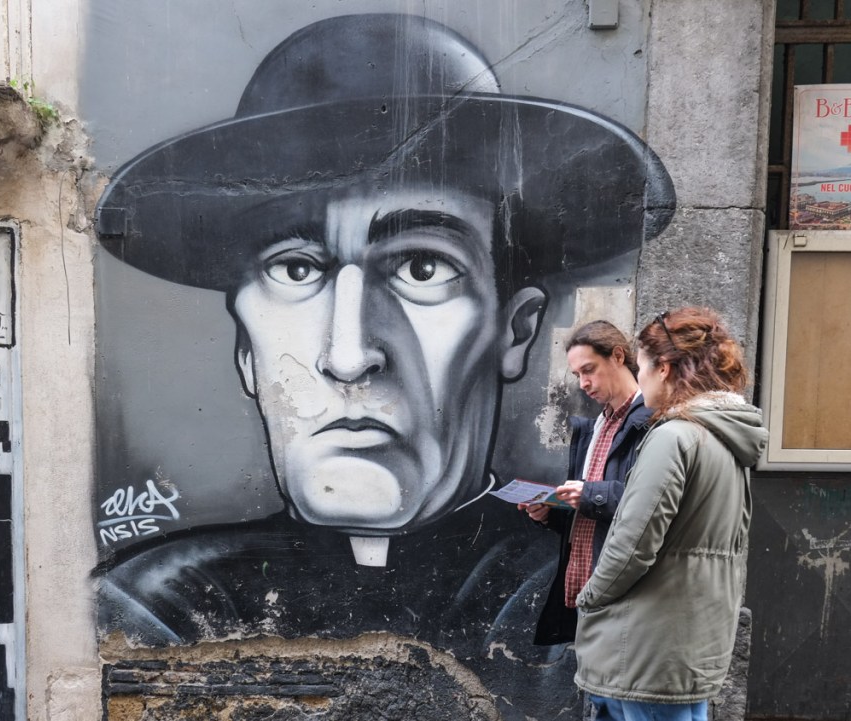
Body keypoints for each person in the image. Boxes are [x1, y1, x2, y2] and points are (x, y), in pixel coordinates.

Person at [93, 12, 675, 718]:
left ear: (513, 330)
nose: (348, 356)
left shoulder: (564, 590)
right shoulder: (157, 604)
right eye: (297, 268)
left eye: (422, 267)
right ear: (245, 348)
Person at [574, 307, 769, 721]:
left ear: (663, 368)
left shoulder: (673, 437)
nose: (639, 378)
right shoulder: (722, 437)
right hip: (688, 641)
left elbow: (633, 543)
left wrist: (590, 596)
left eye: (642, 366)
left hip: (648, 644)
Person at [522, 320, 652, 646]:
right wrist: (551, 512)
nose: (583, 383)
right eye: (577, 374)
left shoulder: (650, 421)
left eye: (589, 370)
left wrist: (589, 494)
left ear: (618, 356)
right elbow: (591, 514)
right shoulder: (597, 426)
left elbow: (653, 501)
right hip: (584, 590)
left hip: (622, 593)